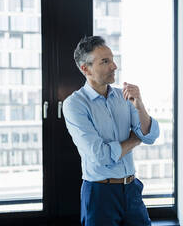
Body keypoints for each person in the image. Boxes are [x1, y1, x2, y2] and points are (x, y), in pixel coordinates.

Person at [62, 36, 159, 226]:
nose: (114, 66)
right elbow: (101, 155)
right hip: (100, 194)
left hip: (131, 189)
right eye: (105, 62)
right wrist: (134, 140)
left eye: (112, 59)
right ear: (86, 68)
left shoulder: (123, 96)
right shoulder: (75, 104)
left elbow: (150, 136)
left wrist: (139, 104)